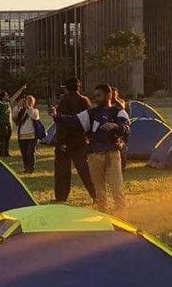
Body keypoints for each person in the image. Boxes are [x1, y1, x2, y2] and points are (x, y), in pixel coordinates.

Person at [49, 83, 130, 216]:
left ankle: (122, 219)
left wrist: (115, 126)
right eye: (95, 96)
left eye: (99, 95)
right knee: (99, 192)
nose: (96, 98)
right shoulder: (91, 113)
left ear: (108, 95)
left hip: (112, 154)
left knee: (117, 189)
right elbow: (74, 121)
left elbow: (126, 127)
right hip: (94, 155)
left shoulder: (118, 111)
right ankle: (104, 218)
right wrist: (57, 116)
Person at [53, 78, 96, 203]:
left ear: (66, 88)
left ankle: (61, 197)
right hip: (81, 141)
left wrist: (61, 142)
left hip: (66, 142)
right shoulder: (85, 100)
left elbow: (61, 124)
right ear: (78, 87)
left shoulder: (64, 101)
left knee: (62, 172)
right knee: (86, 171)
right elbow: (89, 120)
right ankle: (95, 195)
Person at [0, 84, 26, 158]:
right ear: (2, 97)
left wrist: (21, 89)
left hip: (9, 124)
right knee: (2, 139)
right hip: (2, 124)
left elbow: (15, 96)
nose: (8, 96)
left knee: (7, 138)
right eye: (6, 95)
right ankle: (2, 153)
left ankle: (6, 152)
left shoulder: (8, 103)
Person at [13, 94, 41, 173]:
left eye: (29, 101)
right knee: (24, 153)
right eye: (26, 101)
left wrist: (28, 107)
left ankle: (31, 168)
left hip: (32, 135)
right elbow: (14, 118)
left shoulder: (35, 110)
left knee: (30, 152)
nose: (27, 102)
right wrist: (18, 106)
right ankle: (26, 168)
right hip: (22, 135)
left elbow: (34, 117)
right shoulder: (20, 111)